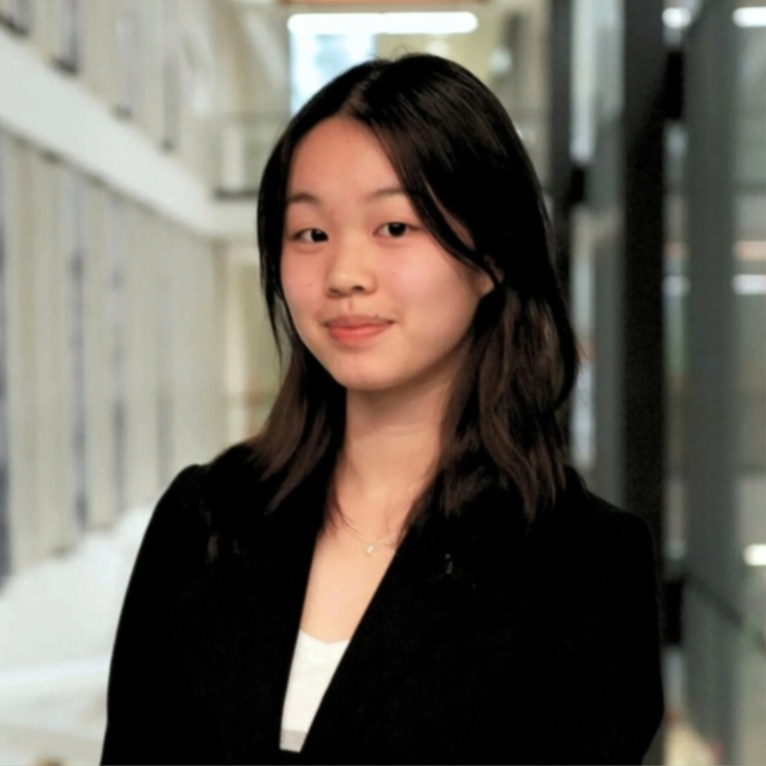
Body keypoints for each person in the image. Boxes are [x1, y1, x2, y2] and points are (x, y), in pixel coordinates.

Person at [100, 54, 664, 765]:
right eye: (311, 233)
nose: (343, 275)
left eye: (394, 227)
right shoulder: (203, 519)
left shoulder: (588, 564)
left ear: (492, 256)